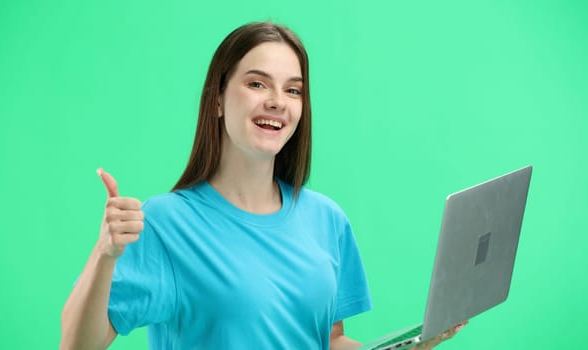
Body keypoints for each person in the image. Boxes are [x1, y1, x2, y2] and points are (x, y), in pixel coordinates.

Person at [60, 21, 465, 350]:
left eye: (292, 90)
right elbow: (77, 347)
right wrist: (105, 254)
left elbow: (327, 340)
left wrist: (404, 347)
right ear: (217, 99)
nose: (277, 101)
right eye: (257, 84)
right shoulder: (166, 223)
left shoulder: (326, 219)